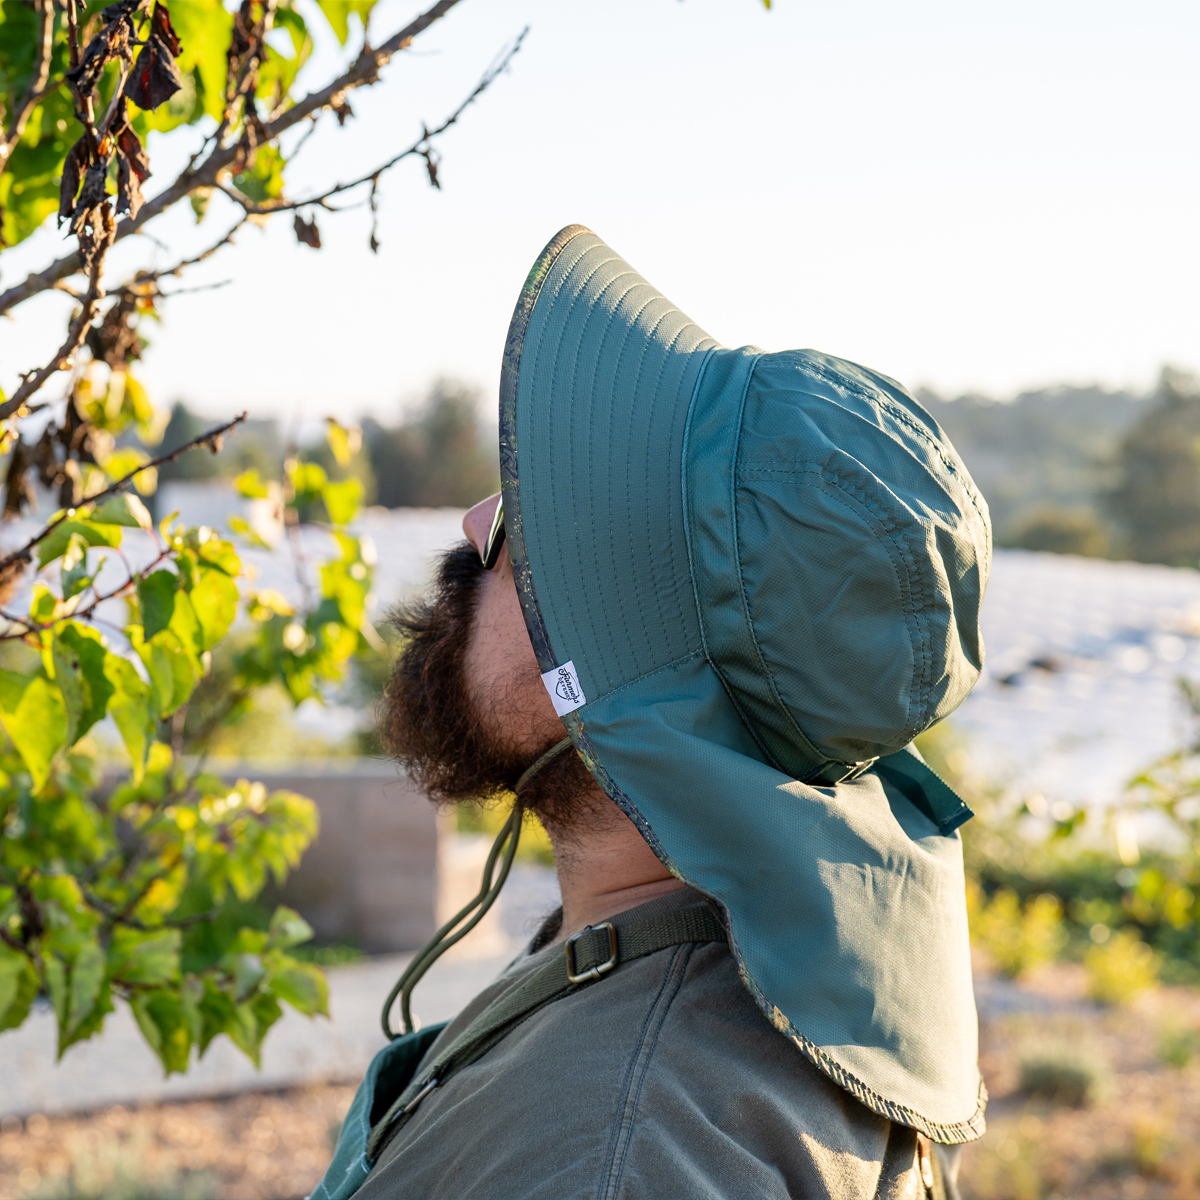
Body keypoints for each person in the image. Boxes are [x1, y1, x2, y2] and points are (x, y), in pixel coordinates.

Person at [311, 226, 989, 1200]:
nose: (473, 525)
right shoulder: (720, 972)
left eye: (534, 524)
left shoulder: (614, 1153)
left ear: (634, 670)